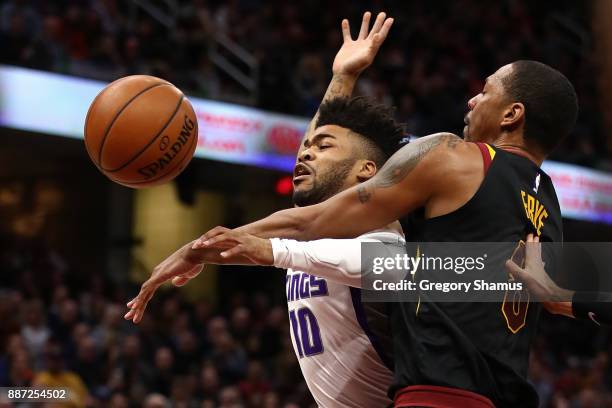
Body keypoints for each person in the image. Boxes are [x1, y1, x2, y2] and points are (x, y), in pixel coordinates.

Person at [128, 56, 579, 407]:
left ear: (512, 113)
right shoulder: (547, 205)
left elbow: (364, 247)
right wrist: (341, 78)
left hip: (433, 394)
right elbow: (562, 296)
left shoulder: (450, 164)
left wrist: (250, 249)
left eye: (485, 92)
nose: (471, 100)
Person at [127, 12, 407, 408]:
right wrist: (342, 77)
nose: (306, 151)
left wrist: (266, 251)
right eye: (308, 145)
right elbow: (318, 144)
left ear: (366, 171)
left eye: (323, 149)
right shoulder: (310, 227)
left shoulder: (380, 236)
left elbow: (391, 264)